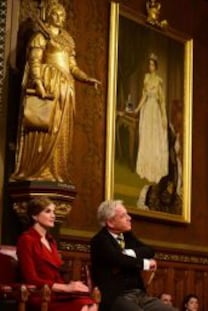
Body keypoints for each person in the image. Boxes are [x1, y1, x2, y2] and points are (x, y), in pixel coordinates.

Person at [11, 2, 100, 183]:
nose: (60, 18)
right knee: (45, 127)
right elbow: (35, 60)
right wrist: (38, 82)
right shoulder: (41, 35)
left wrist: (86, 78)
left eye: (62, 15)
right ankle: (38, 169)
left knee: (61, 131)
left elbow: (72, 67)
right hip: (49, 84)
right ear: (48, 15)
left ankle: (55, 169)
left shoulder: (67, 40)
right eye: (56, 14)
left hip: (66, 90)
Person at [90, 199, 175, 311]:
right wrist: (146, 263)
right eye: (123, 216)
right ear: (110, 222)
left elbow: (149, 251)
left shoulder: (127, 236)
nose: (129, 218)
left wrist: (130, 252)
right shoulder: (100, 240)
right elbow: (119, 259)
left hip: (139, 294)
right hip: (116, 297)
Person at [16, 197, 97, 311]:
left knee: (92, 305)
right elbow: (31, 278)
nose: (53, 216)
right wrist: (65, 288)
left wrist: (73, 285)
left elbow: (56, 273)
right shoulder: (26, 239)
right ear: (35, 216)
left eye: (53, 212)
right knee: (83, 307)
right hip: (40, 294)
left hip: (57, 293)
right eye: (48, 211)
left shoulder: (51, 240)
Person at [135, 53, 169, 183]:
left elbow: (162, 101)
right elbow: (144, 96)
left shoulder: (159, 81)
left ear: (156, 66)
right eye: (149, 64)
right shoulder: (146, 78)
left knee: (154, 138)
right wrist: (137, 109)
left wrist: (164, 117)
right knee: (146, 137)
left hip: (155, 112)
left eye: (152, 64)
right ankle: (145, 168)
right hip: (147, 111)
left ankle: (154, 170)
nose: (150, 66)